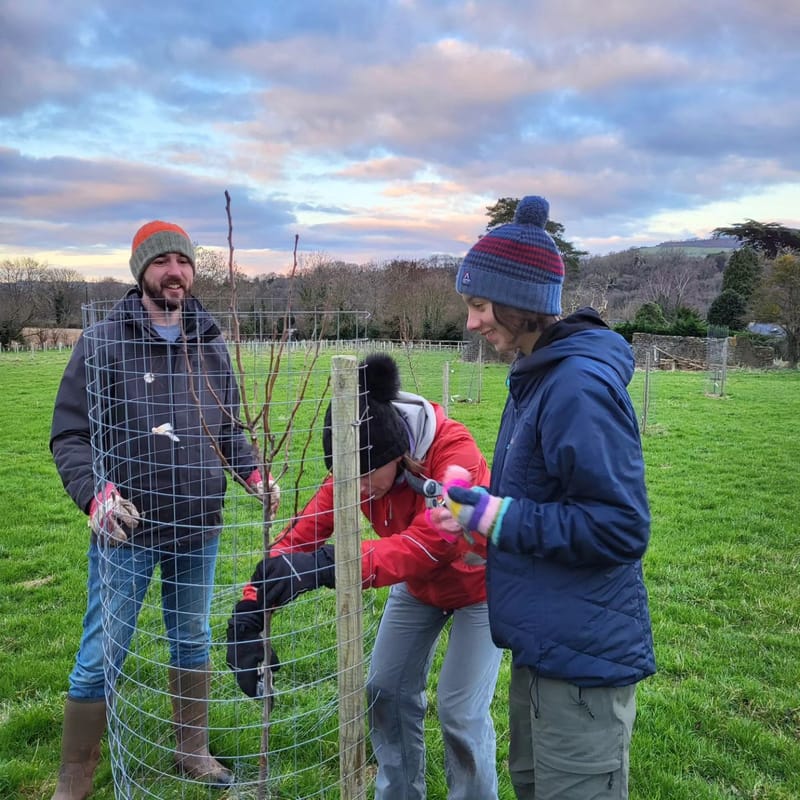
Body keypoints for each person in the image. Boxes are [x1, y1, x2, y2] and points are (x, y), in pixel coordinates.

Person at [432, 195, 656, 799]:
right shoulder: (536, 377)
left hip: (583, 662)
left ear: (523, 303)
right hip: (540, 648)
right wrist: (480, 519)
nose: (472, 322)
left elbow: (619, 527)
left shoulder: (575, 387)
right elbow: (539, 501)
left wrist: (495, 514)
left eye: (479, 305)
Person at [49, 220, 279, 799]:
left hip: (199, 524)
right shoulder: (102, 342)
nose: (174, 271)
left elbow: (227, 428)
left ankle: (191, 750)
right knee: (102, 653)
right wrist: (95, 495)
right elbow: (70, 435)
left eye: (183, 260)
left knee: (193, 639)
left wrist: (252, 473)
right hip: (128, 529)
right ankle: (71, 784)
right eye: (161, 262)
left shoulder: (210, 342)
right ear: (141, 272)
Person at [226, 353, 503, 800]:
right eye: (345, 476)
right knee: (384, 690)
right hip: (418, 589)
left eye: (364, 475)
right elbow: (299, 538)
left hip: (481, 588)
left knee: (461, 711)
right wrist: (250, 607)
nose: (354, 488)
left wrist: (332, 566)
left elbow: (434, 543)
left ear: (398, 456)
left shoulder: (456, 454)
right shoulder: (356, 469)